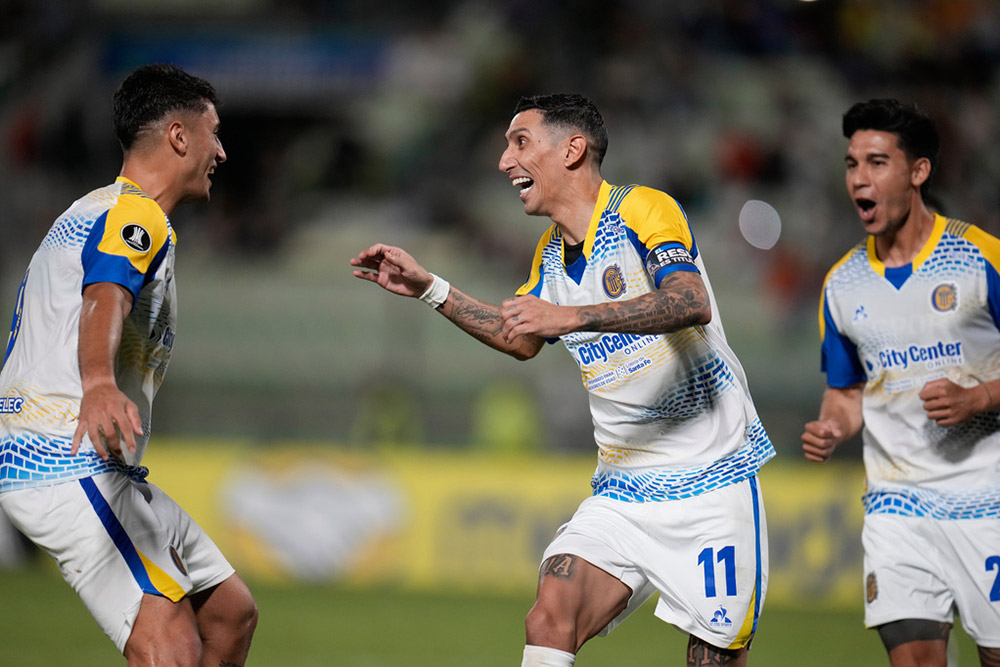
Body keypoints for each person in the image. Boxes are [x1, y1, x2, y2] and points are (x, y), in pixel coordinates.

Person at [351, 93, 774, 666]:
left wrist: (574, 316)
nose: (504, 161)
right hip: (625, 490)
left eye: (519, 142)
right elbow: (521, 337)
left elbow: (689, 300)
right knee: (550, 613)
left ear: (572, 149)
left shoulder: (641, 210)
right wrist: (432, 289)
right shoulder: (551, 255)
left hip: (711, 482)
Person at [0, 63, 257, 665]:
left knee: (229, 612)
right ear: (178, 136)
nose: (221, 151)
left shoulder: (106, 211)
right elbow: (105, 294)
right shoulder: (135, 215)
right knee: (168, 648)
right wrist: (96, 381)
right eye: (213, 133)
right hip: (61, 462)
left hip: (82, 460)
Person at [801, 98, 1000, 666]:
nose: (859, 178)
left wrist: (979, 397)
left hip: (986, 499)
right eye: (850, 164)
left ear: (918, 172)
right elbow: (847, 392)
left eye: (877, 162)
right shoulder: (842, 284)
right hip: (898, 507)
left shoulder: (979, 257)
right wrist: (831, 426)